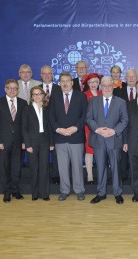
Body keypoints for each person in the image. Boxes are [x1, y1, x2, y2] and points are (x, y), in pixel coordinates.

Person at [87, 76, 128, 205]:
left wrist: (114, 131)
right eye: (104, 86)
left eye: (109, 85)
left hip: (114, 139)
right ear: (100, 87)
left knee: (116, 168)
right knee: (100, 168)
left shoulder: (121, 102)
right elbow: (89, 118)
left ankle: (117, 193)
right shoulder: (93, 101)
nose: (106, 88)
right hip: (99, 139)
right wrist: (97, 129)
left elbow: (125, 120)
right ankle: (101, 193)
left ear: (113, 87)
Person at [49, 72, 87, 201]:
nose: (65, 83)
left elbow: (84, 115)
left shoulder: (80, 96)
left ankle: (79, 190)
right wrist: (58, 129)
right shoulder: (54, 97)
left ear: (72, 82)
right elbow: (51, 116)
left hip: (76, 137)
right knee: (62, 167)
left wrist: (75, 128)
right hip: (60, 137)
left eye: (67, 81)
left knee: (77, 166)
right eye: (62, 81)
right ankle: (64, 191)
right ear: (59, 83)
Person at [0, 79, 28, 202]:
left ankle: (16, 190)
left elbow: (25, 124)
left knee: (17, 168)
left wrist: (25, 141)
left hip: (19, 142)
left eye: (15, 88)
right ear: (5, 89)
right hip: (3, 142)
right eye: (9, 88)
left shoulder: (23, 103)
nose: (12, 90)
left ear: (18, 90)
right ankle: (6, 192)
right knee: (5, 168)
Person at [22, 86, 54, 201]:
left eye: (39, 94)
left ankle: (44, 194)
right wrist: (28, 144)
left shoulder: (47, 109)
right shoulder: (27, 109)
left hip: (45, 141)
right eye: (34, 94)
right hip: (32, 142)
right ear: (31, 96)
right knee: (34, 168)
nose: (37, 96)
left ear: (43, 95)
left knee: (44, 168)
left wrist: (51, 142)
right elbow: (24, 128)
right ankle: (34, 194)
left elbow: (50, 127)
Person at [113, 69, 138, 181]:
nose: (131, 79)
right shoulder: (118, 92)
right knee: (123, 157)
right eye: (129, 77)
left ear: (137, 78)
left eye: (133, 77)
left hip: (137, 129)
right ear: (125, 79)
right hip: (122, 128)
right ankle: (123, 178)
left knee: (137, 156)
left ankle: (136, 178)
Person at [39, 65, 61, 184]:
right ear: (41, 75)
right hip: (41, 126)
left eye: (49, 73)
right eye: (44, 74)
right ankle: (43, 176)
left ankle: (56, 175)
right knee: (43, 153)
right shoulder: (36, 89)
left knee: (57, 153)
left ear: (52, 75)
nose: (47, 76)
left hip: (56, 125)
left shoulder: (59, 89)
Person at [82, 73, 103, 183]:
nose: (93, 84)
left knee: (101, 152)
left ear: (99, 82)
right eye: (90, 83)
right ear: (87, 84)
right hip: (89, 128)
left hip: (102, 127)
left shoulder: (102, 93)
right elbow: (84, 114)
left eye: (95, 82)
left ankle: (101, 175)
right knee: (89, 151)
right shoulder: (84, 95)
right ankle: (89, 175)